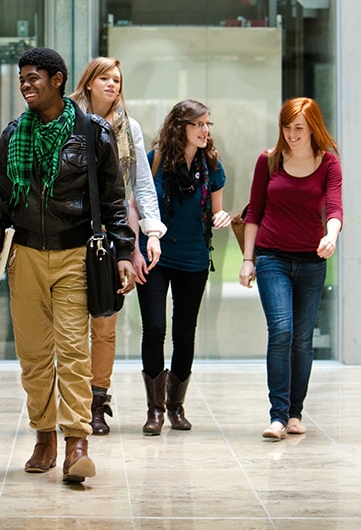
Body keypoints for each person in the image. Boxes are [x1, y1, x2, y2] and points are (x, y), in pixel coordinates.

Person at [0, 47, 136, 483]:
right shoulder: (14, 136)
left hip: (74, 254)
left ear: (59, 80)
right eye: (22, 79)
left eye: (35, 78)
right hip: (24, 255)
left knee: (71, 350)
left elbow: (113, 203)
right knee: (32, 355)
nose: (27, 86)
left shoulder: (93, 133)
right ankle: (44, 436)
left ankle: (75, 443)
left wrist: (123, 252)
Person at [70, 57, 166, 435]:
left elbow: (141, 183)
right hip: (71, 232)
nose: (113, 85)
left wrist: (151, 232)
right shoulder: (67, 119)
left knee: (104, 324)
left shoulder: (130, 128)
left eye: (118, 80)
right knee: (70, 325)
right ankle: (73, 401)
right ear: (89, 82)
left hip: (113, 237)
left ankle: (97, 401)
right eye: (106, 78)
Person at [239, 97, 343, 440]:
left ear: (313, 127)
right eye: (287, 127)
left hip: (313, 260)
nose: (292, 134)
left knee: (302, 340)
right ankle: (277, 416)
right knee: (281, 332)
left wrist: (331, 235)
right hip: (272, 258)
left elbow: (334, 207)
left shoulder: (328, 163)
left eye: (299, 127)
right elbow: (254, 212)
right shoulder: (268, 161)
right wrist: (247, 259)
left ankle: (296, 412)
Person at [129, 99, 231, 435]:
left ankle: (176, 406)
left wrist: (220, 217)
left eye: (207, 125)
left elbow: (216, 210)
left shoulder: (210, 163)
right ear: (180, 126)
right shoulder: (154, 160)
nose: (204, 131)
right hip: (155, 256)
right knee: (155, 328)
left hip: (194, 257)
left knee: (185, 333)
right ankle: (154, 410)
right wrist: (134, 251)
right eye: (198, 124)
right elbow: (136, 207)